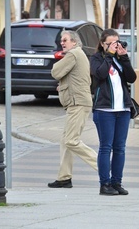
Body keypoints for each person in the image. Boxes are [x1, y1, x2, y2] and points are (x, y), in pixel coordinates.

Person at [90, 29, 137, 195]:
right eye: (110, 43)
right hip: (104, 110)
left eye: (116, 42)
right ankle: (105, 184)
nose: (114, 46)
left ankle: (117, 182)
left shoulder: (119, 59)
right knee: (106, 147)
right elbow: (100, 74)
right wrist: (109, 55)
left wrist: (124, 58)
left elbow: (131, 78)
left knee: (120, 148)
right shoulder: (96, 59)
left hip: (123, 109)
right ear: (103, 44)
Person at [48, 30, 98, 188]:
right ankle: (64, 177)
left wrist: (62, 81)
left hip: (78, 104)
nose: (62, 43)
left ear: (74, 42)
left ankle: (104, 167)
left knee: (71, 140)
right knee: (65, 141)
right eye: (61, 41)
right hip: (77, 103)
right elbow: (76, 78)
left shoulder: (73, 54)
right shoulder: (78, 54)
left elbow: (55, 72)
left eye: (65, 40)